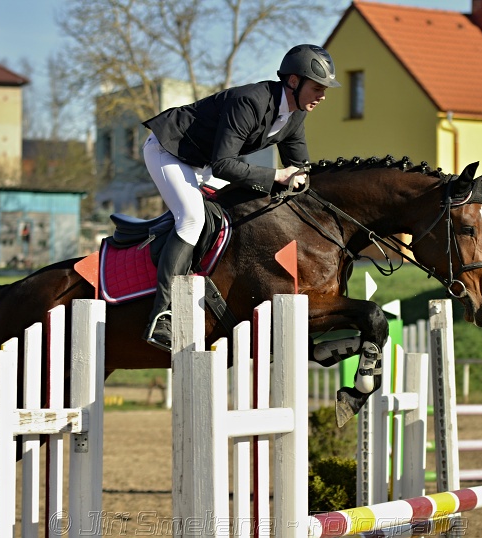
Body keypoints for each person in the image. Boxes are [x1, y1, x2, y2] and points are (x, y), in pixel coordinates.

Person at [140, 43, 340, 351]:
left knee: (236, 212)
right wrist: (275, 176)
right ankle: (162, 314)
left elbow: (301, 171)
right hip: (169, 151)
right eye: (317, 87)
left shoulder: (295, 116)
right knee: (192, 218)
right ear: (293, 81)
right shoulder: (250, 101)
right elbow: (224, 163)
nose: (322, 95)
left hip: (202, 163)